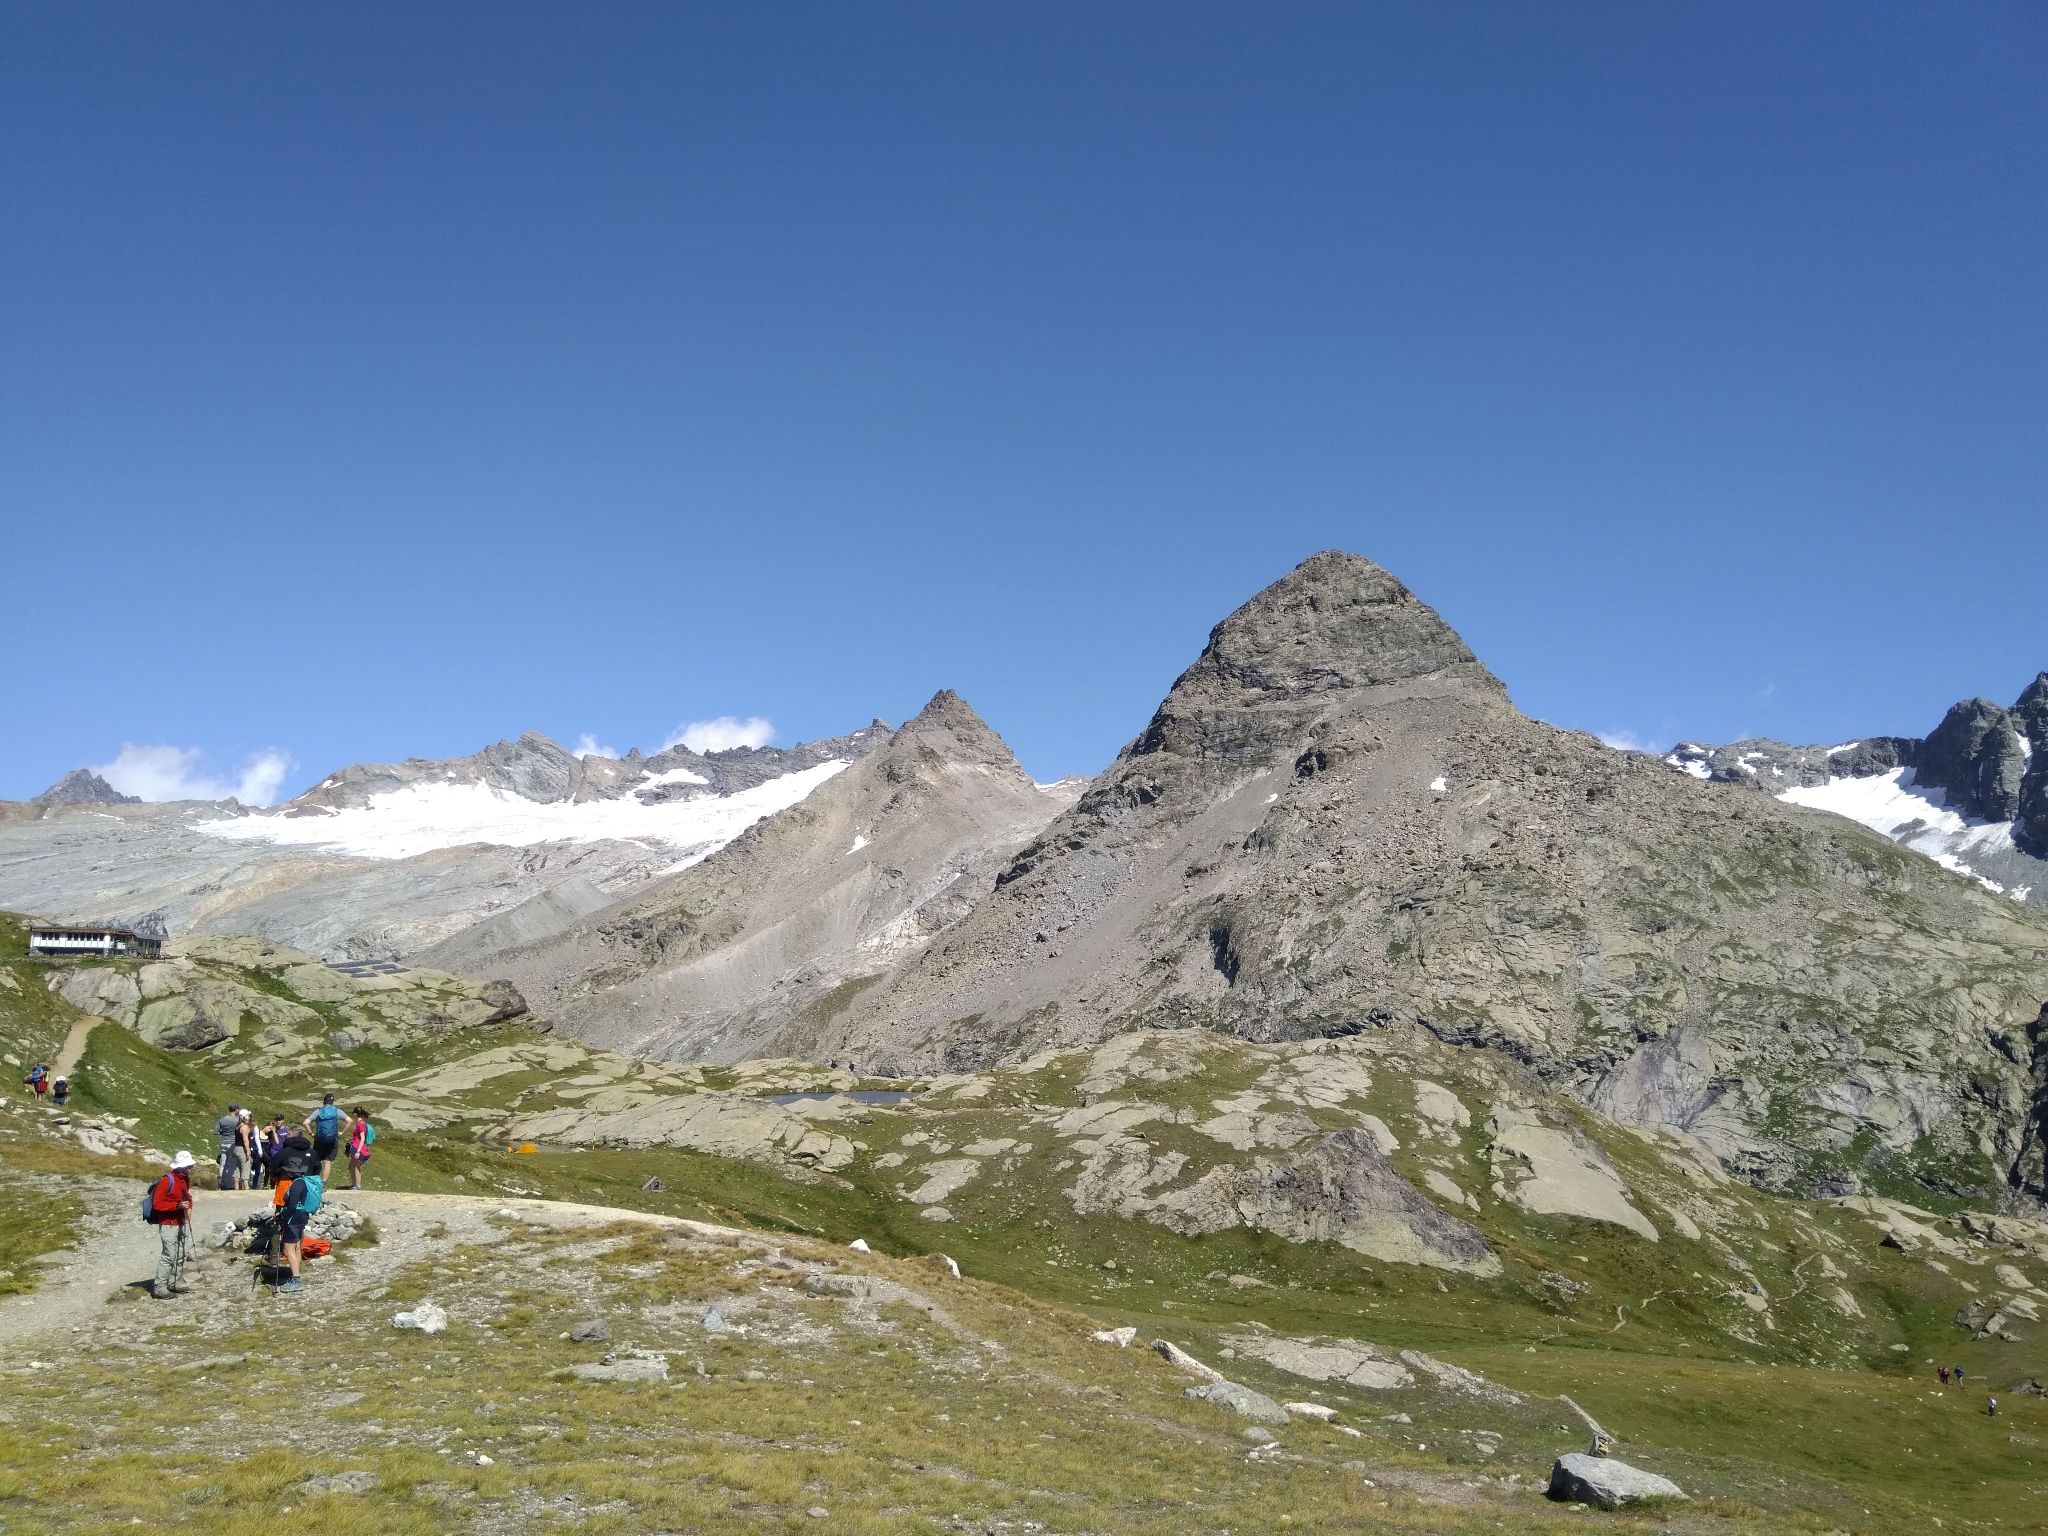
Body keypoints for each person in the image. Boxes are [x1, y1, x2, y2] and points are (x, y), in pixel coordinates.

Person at [146, 1151, 197, 1298]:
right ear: (180, 1166)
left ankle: (174, 1282)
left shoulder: (184, 1178)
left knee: (181, 1252)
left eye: (191, 1165)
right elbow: (157, 1204)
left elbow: (186, 1196)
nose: (190, 1168)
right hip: (168, 1223)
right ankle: (159, 1287)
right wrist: (177, 1206)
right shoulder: (167, 1181)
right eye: (188, 1166)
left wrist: (189, 1206)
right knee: (169, 1255)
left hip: (181, 1221)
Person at [275, 1161, 324, 1295]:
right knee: (296, 1246)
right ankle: (296, 1273)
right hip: (302, 1217)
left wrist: (284, 1219)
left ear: (291, 1172)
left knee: (288, 1249)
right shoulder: (304, 1182)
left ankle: (296, 1281)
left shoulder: (297, 1184)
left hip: (293, 1217)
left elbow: (292, 1204)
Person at [304, 1094, 344, 1182]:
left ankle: (313, 1180)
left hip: (319, 1139)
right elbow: (350, 1121)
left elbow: (305, 1123)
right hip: (332, 1140)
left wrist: (311, 1134)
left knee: (316, 1159)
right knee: (328, 1161)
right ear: (332, 1102)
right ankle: (323, 1183)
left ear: (324, 1101)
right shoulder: (337, 1111)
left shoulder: (318, 1111)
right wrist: (342, 1133)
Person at [344, 1105, 375, 1190]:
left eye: (353, 1114)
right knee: (353, 1167)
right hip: (356, 1146)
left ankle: (357, 1185)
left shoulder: (360, 1124)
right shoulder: (359, 1123)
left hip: (358, 1148)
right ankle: (355, 1185)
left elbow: (363, 1138)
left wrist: (358, 1151)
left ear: (355, 1114)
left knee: (355, 1167)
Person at [214, 1104, 243, 1189]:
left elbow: (216, 1132)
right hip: (232, 1143)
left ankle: (221, 1183)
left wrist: (224, 1133)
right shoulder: (238, 1120)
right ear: (236, 1110)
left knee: (223, 1163)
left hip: (223, 1143)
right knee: (231, 1164)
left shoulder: (222, 1120)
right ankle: (229, 1185)